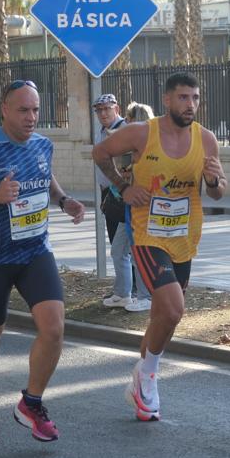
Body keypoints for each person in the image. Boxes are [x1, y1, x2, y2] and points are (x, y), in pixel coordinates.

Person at [0, 79, 85, 443]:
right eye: (23, 110)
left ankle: (32, 403)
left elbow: (45, 177)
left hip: (36, 250)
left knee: (54, 327)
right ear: (4, 110)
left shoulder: (42, 144)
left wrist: (64, 200)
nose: (31, 117)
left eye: (36, 109)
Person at [92, 73, 227, 422]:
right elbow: (101, 151)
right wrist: (123, 188)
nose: (191, 105)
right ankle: (150, 376)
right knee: (172, 308)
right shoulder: (142, 133)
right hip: (147, 235)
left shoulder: (206, 140)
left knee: (163, 315)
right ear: (167, 100)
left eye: (195, 98)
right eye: (183, 98)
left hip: (184, 238)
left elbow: (217, 192)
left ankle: (140, 377)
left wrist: (213, 180)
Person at [96, 95, 152, 312]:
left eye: (128, 118)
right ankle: (122, 293)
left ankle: (146, 295)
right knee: (119, 250)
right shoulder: (128, 142)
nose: (125, 122)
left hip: (138, 207)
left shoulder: (145, 146)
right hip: (123, 205)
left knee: (138, 251)